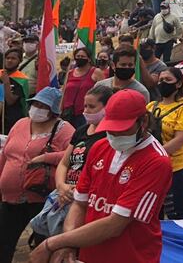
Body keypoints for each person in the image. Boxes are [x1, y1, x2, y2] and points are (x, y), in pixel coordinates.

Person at [29, 90, 173, 263]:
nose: (115, 136)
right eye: (111, 130)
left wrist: (52, 244)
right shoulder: (99, 147)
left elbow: (115, 225)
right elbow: (80, 204)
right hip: (89, 255)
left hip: (131, 256)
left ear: (143, 121)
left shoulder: (156, 162)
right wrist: (68, 244)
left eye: (122, 130)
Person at [0, 87, 74, 263]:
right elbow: (5, 154)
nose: (38, 108)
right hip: (10, 198)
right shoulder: (20, 124)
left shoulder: (64, 129)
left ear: (53, 109)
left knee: (43, 246)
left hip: (42, 199)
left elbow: (72, 156)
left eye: (44, 106)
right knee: (3, 242)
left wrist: (46, 157)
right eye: (36, 104)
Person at [33, 86, 113, 242]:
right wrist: (61, 186)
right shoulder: (81, 131)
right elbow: (64, 163)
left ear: (106, 107)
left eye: (91, 107)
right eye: (85, 106)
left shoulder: (110, 136)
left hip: (85, 200)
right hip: (63, 195)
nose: (86, 111)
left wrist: (77, 192)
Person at [147, 67, 183, 220]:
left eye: (168, 80)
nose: (162, 83)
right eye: (161, 80)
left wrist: (152, 155)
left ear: (178, 84)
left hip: (176, 169)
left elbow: (179, 140)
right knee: (154, 212)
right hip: (153, 168)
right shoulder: (150, 107)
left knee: (175, 212)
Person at [61, 47, 105, 128]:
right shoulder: (70, 73)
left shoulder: (96, 72)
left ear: (88, 59)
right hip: (68, 113)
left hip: (85, 114)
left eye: (82, 57)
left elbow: (104, 92)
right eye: (78, 56)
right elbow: (64, 93)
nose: (80, 58)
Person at [0, 47, 30, 135]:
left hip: (11, 119)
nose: (9, 60)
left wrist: (6, 82)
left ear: (19, 61)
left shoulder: (21, 80)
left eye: (13, 58)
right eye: (7, 58)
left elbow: (10, 101)